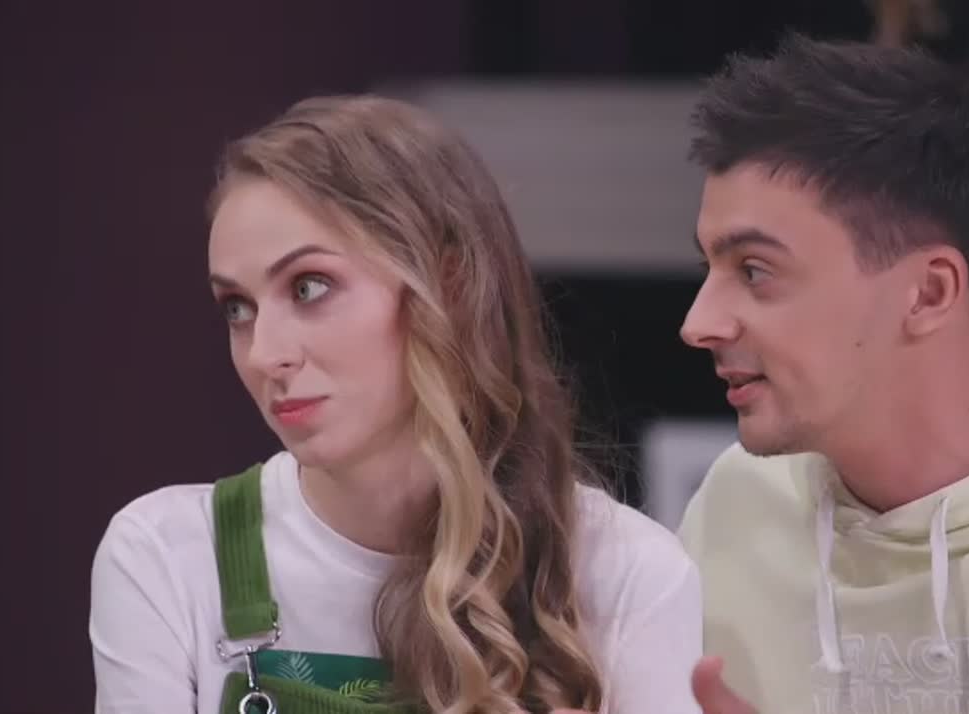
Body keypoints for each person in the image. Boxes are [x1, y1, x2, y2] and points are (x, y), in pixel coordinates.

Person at [562, 33, 969, 714]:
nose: (698, 323)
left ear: (929, 293)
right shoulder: (737, 502)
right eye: (708, 269)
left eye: (755, 271)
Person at [89, 95, 703, 714]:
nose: (265, 354)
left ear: (449, 286)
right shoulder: (167, 557)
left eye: (309, 287)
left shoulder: (625, 574)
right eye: (237, 308)